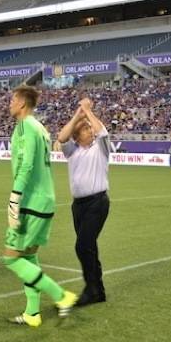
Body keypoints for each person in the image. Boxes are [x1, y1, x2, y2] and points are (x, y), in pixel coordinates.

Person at [3, 86, 77, 328]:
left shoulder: (26, 126)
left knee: (11, 259)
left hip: (31, 202)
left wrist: (15, 197)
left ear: (23, 103)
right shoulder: (40, 128)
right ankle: (32, 313)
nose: (10, 103)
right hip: (44, 199)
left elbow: (25, 166)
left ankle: (61, 296)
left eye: (14, 99)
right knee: (29, 256)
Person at [57, 98, 111, 307]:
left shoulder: (101, 148)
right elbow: (62, 137)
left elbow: (103, 131)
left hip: (97, 202)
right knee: (89, 247)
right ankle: (98, 290)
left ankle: (91, 289)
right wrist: (78, 116)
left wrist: (87, 112)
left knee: (83, 245)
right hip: (78, 205)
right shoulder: (73, 150)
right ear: (78, 137)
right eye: (86, 130)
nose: (91, 131)